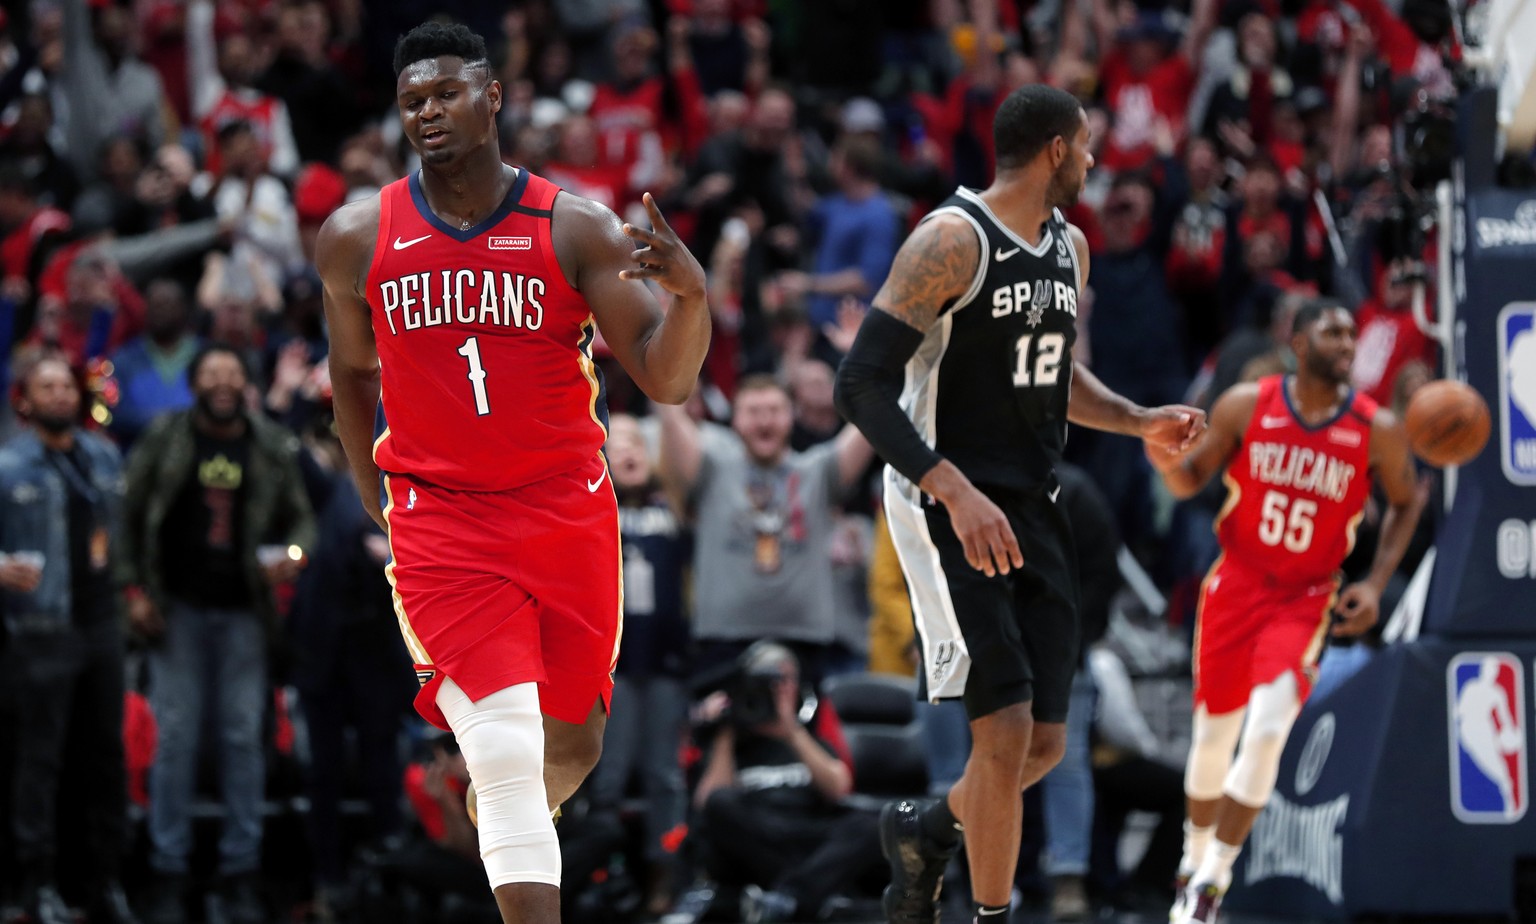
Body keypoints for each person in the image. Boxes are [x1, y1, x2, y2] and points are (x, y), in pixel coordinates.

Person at [316, 22, 710, 924]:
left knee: (569, 745)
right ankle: (509, 821)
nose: (429, 112)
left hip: (567, 512)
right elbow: (349, 371)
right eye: (413, 100)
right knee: (501, 748)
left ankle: (510, 817)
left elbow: (670, 376)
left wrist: (691, 299)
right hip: (442, 521)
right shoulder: (355, 236)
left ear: (492, 94)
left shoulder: (573, 226)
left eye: (446, 92)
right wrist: (368, 488)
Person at [832, 83, 1207, 924]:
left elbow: (1056, 375)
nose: (1096, 162)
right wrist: (951, 487)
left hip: (1033, 503)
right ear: (1054, 151)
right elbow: (858, 384)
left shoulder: (1068, 247)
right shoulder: (950, 240)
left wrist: (1138, 420)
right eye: (1087, 146)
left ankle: (926, 830)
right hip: (944, 502)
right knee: (1000, 737)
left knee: (1044, 743)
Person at [1144, 301, 1420, 923]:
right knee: (1214, 739)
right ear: (1299, 342)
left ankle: (1213, 880)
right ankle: (1192, 861)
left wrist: (1375, 584)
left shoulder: (1377, 427)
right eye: (1332, 331)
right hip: (1236, 585)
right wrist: (1161, 457)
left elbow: (1408, 500)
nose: (1347, 341)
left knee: (1268, 727)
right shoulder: (1247, 403)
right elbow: (1192, 481)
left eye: (1352, 332)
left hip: (1305, 597)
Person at [121, 343, 316, 924]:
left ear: (246, 384)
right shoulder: (164, 436)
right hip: (174, 610)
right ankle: (168, 868)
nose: (224, 382)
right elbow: (127, 517)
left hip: (244, 615)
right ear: (195, 383)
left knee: (240, 741)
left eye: (233, 373)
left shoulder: (271, 443)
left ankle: (240, 871)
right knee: (175, 739)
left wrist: (295, 555)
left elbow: (302, 519)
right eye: (212, 373)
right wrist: (132, 593)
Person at [0, 355, 138, 924]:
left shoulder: (103, 457)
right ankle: (36, 883)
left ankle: (103, 881)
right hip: (40, 629)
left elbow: (122, 535)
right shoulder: (8, 466)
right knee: (40, 761)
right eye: (46, 387)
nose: (60, 395)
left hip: (101, 623)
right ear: (25, 401)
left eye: (65, 386)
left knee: (105, 758)